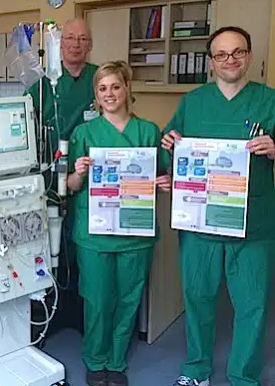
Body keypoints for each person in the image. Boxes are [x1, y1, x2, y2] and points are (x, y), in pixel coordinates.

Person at [162, 26, 275, 386]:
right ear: (211, 62)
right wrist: (170, 142)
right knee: (197, 297)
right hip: (201, 222)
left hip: (253, 223)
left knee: (252, 305)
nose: (231, 60)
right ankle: (196, 370)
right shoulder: (192, 102)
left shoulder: (269, 101)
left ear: (250, 57)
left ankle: (244, 377)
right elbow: (172, 145)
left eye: (238, 52)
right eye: (222, 54)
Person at [67, 61, 171, 386]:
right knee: (97, 300)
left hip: (135, 231)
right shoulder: (83, 134)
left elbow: (160, 175)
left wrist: (164, 182)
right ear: (95, 97)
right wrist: (79, 173)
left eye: (115, 86)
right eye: (102, 89)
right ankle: (95, 360)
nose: (109, 94)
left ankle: (116, 361)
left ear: (127, 89)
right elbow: (68, 186)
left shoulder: (148, 131)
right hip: (94, 233)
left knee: (128, 299)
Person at [25, 18, 99, 158]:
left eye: (82, 39)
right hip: (50, 159)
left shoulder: (101, 77)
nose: (76, 44)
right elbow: (22, 119)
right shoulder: (43, 80)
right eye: (70, 38)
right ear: (60, 43)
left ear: (90, 45)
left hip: (91, 160)